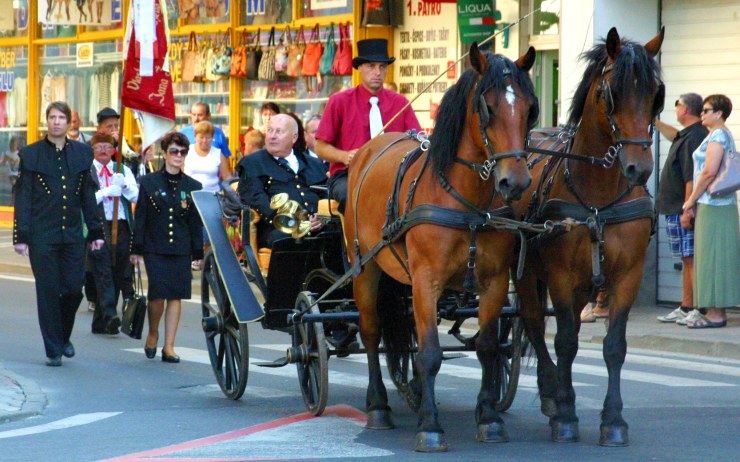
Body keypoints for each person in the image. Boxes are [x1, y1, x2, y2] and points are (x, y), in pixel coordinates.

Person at [13, 101, 105, 366]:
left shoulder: (82, 154)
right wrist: (21, 236)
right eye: (52, 117)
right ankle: (53, 348)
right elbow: (24, 198)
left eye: (61, 118)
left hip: (73, 235)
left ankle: (63, 336)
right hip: (43, 236)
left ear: (68, 123)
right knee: (48, 291)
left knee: (74, 289)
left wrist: (96, 231)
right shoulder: (30, 155)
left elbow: (88, 196)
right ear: (47, 121)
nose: (56, 122)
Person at [315, 38, 421, 212]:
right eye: (371, 66)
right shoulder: (339, 101)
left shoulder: (400, 103)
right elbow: (320, 146)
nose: (377, 72)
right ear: (360, 68)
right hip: (348, 176)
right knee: (353, 196)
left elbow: (418, 140)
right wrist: (345, 156)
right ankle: (354, 239)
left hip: (393, 174)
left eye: (382, 67)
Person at [130, 132, 204, 363]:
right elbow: (140, 217)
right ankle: (153, 332)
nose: (178, 156)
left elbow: (195, 222)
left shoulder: (193, 185)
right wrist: (136, 249)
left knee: (176, 296)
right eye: (174, 151)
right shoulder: (149, 182)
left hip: (180, 247)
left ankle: (169, 346)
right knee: (158, 294)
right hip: (155, 246)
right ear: (164, 153)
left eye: (182, 152)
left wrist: (198, 253)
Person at [682, 94, 739, 329]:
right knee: (714, 255)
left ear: (719, 113)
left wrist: (690, 201)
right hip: (718, 205)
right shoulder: (720, 134)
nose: (702, 114)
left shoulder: (718, 135)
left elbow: (708, 172)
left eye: (706, 110)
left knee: (714, 256)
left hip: (714, 205)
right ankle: (715, 310)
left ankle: (716, 314)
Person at [654, 93, 708, 325]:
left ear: (685, 109)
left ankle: (698, 306)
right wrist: (652, 121)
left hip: (681, 208)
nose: (675, 110)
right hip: (676, 207)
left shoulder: (695, 137)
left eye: (677, 106)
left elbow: (691, 178)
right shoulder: (686, 135)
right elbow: (672, 135)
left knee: (691, 258)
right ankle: (686, 306)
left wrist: (687, 209)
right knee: (686, 258)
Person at [237, 114, 327, 249]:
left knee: (341, 234)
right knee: (286, 240)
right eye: (270, 130)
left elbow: (326, 194)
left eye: (279, 131)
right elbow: (256, 198)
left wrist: (322, 218)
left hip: (320, 227)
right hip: (279, 229)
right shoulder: (252, 163)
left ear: (294, 137)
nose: (272, 136)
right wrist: (295, 224)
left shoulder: (314, 163)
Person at [88, 133, 139, 335]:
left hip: (122, 226)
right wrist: (106, 192)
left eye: (107, 147)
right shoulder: (87, 171)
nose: (103, 150)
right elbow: (85, 200)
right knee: (103, 272)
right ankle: (110, 314)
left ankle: (100, 322)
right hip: (98, 226)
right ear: (93, 150)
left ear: (113, 150)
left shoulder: (122, 169)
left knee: (119, 271)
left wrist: (124, 185)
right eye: (98, 147)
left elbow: (137, 196)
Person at [184, 120, 231, 269]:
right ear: (195, 136)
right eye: (201, 137)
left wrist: (232, 193)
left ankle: (210, 257)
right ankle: (195, 257)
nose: (204, 141)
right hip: (191, 196)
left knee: (210, 228)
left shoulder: (218, 153)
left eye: (208, 137)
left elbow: (227, 176)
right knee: (192, 227)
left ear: (213, 138)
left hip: (212, 196)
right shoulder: (188, 151)